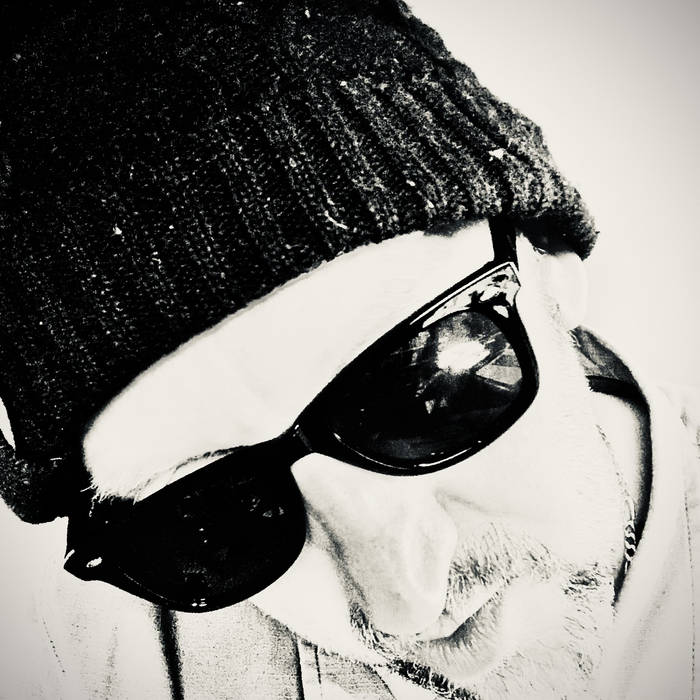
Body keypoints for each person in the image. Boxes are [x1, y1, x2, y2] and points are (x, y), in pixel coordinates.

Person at [0, 0, 697, 698]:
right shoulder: (75, 662)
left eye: (427, 393)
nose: (408, 604)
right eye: (211, 517)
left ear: (549, 261)